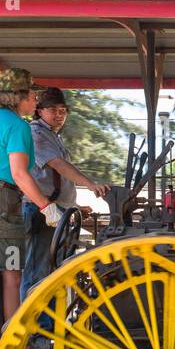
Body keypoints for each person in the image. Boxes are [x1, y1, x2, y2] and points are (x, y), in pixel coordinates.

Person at [0, 67, 62, 320]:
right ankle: (14, 347)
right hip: (0, 201)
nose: (36, 100)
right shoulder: (18, 126)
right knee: (12, 273)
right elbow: (19, 173)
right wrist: (47, 207)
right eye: (32, 95)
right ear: (18, 97)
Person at [22, 87, 112, 298]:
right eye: (52, 109)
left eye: (63, 110)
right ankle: (35, 329)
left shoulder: (52, 135)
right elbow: (58, 165)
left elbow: (57, 180)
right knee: (38, 273)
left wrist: (74, 207)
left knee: (53, 274)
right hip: (41, 210)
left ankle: (51, 326)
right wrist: (91, 185)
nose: (59, 115)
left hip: (57, 211)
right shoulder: (36, 134)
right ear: (39, 111)